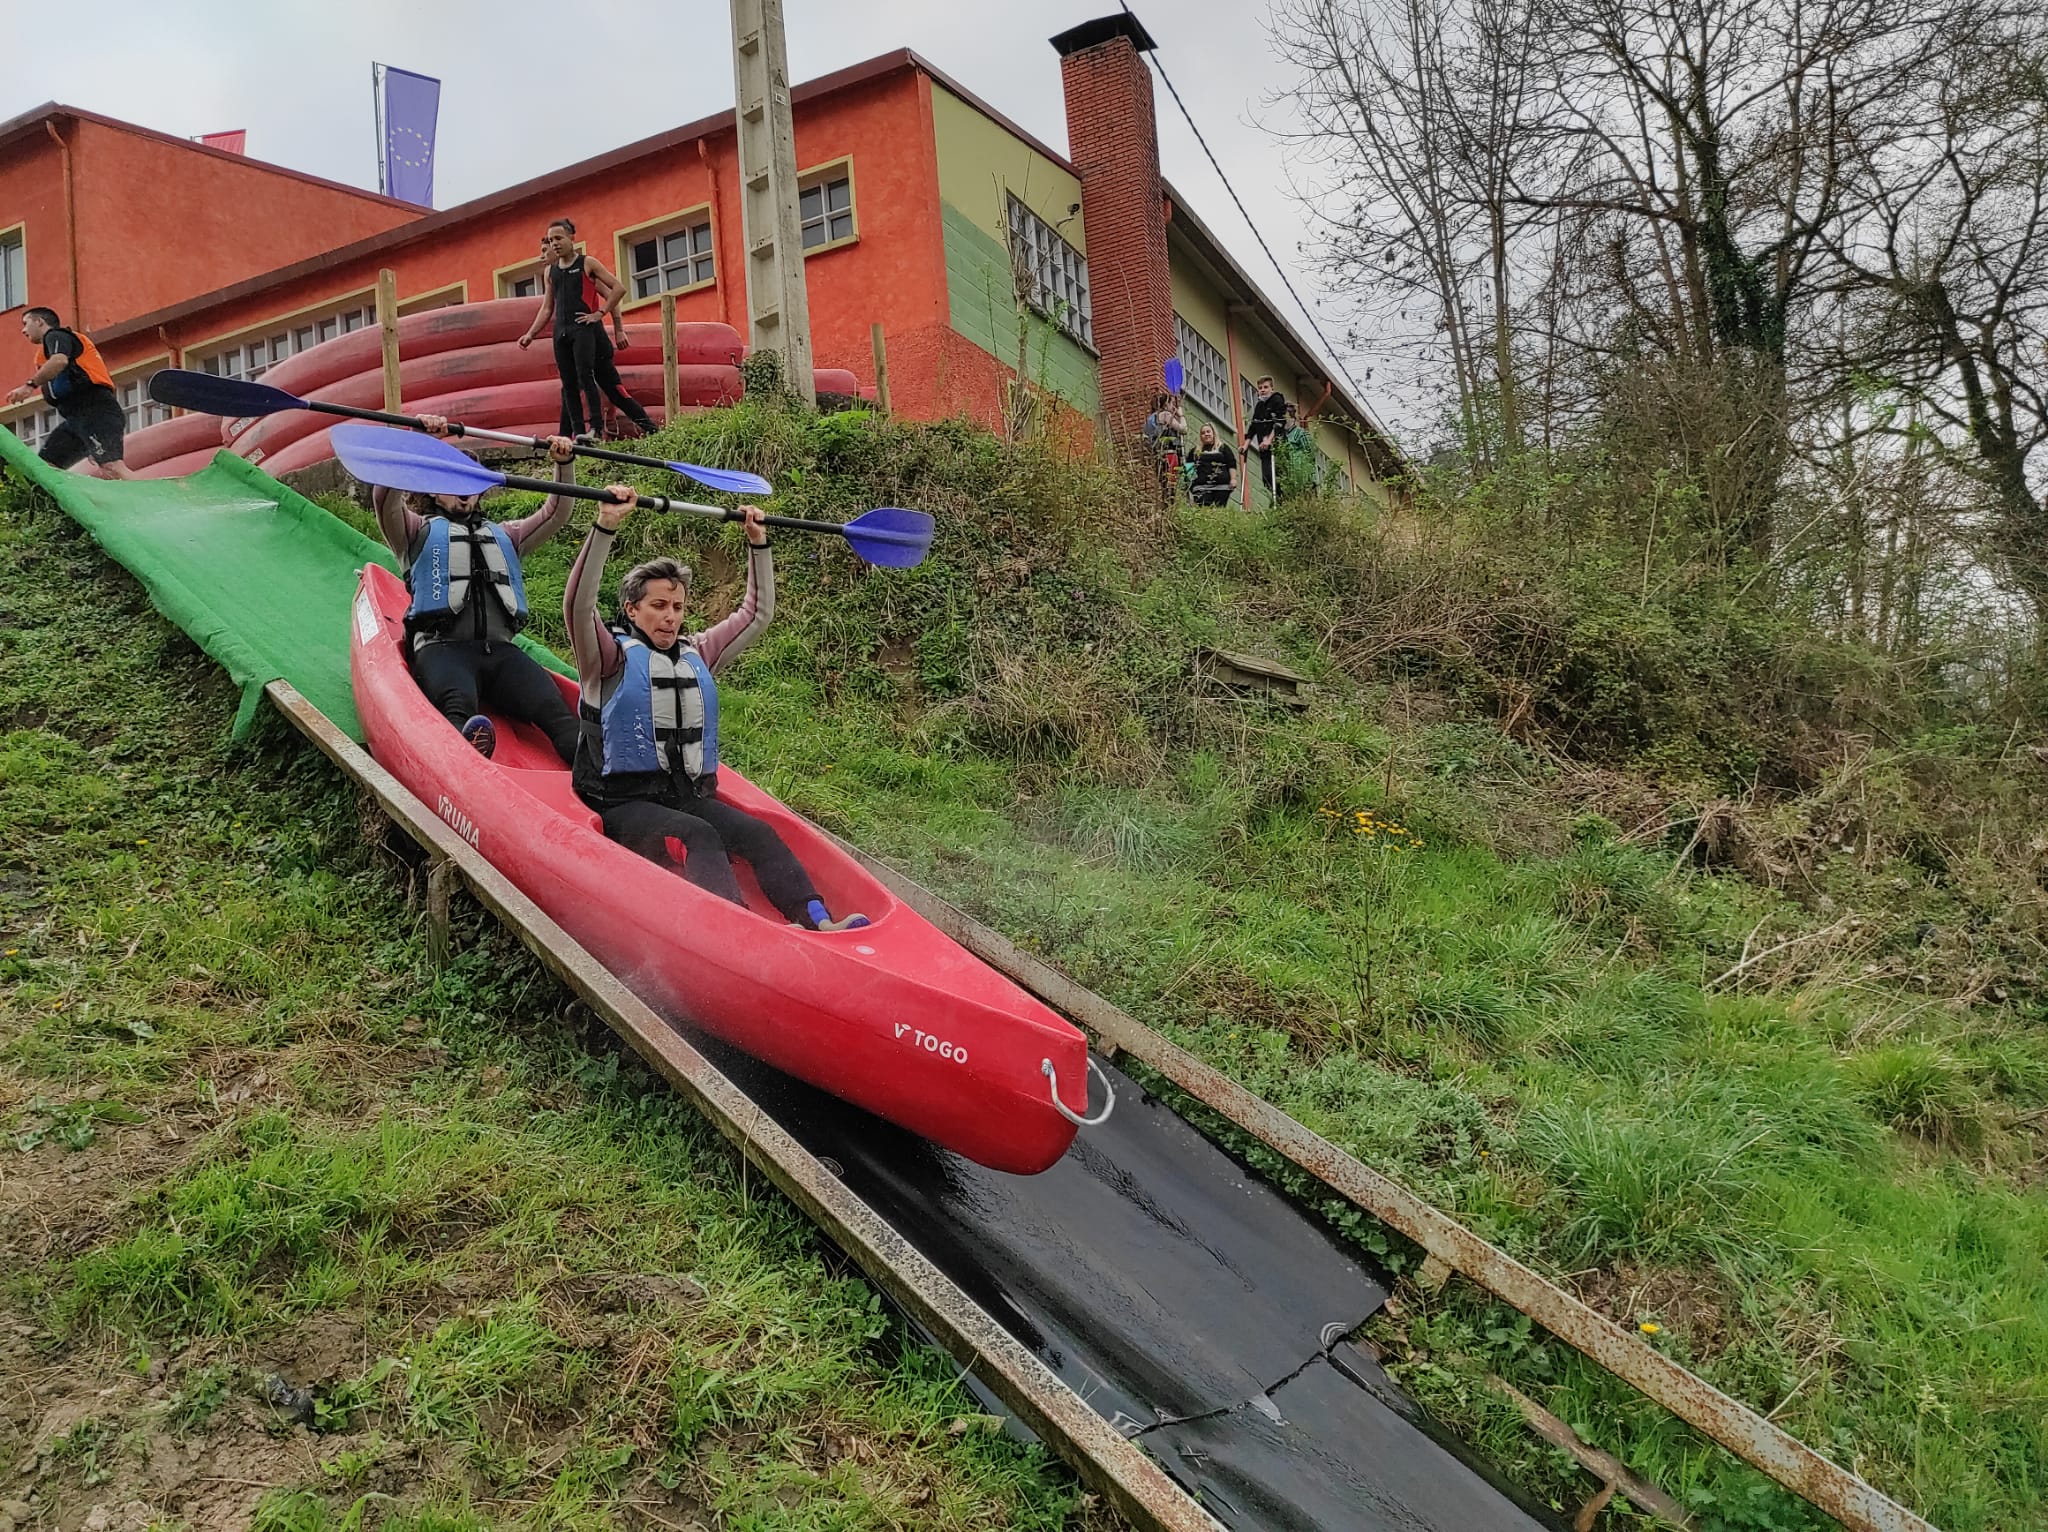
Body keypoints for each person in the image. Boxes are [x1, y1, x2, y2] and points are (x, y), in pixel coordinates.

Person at [563, 498, 870, 931]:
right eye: (657, 606)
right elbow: (578, 604)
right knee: (699, 834)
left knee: (758, 833)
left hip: (684, 796)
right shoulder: (606, 658)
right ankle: (737, 930)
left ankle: (817, 920)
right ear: (632, 610)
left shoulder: (698, 653)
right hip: (620, 804)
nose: (670, 618)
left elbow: (756, 614)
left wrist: (757, 544)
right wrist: (605, 527)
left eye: (677, 607)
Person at [369, 415, 583, 763]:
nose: (463, 490)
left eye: (469, 481)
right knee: (457, 706)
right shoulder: (413, 532)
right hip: (443, 649)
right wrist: (419, 443)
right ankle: (462, 755)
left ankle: (596, 776)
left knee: (555, 713)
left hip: (499, 653)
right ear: (433, 488)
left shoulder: (507, 535)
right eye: (451, 480)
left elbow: (557, 512)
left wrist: (564, 463)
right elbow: (384, 499)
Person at [517, 218, 655, 442]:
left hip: (592, 337)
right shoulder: (551, 273)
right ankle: (571, 434)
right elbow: (547, 307)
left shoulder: (586, 265)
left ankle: (645, 429)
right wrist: (530, 334)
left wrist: (608, 321)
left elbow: (614, 291)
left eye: (554, 242)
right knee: (569, 386)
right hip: (566, 334)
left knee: (609, 388)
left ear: (571, 238)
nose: (547, 251)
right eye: (549, 243)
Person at [6, 309, 136, 480]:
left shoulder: (56, 336)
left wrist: (29, 386)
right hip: (75, 418)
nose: (23, 330)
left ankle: (157, 501)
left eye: (26, 323)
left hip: (96, 411)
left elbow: (59, 360)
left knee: (112, 467)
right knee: (46, 469)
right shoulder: (44, 353)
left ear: (39, 321)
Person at [1242, 376, 1289, 495]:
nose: (1262, 390)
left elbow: (1279, 422)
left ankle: (1283, 498)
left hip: (1277, 445)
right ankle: (1278, 499)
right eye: (1260, 388)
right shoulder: (1259, 406)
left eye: (1265, 387)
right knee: (1267, 477)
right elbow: (1253, 426)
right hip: (1264, 448)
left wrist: (1269, 440)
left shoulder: (1277, 399)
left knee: (1278, 475)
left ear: (1271, 388)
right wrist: (1245, 445)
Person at [1142, 392, 1187, 503]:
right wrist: (1181, 415)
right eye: (1171, 403)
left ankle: (1166, 506)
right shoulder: (1166, 415)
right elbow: (1183, 429)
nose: (1173, 407)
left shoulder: (1151, 419)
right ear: (1165, 404)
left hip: (1158, 455)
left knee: (1164, 484)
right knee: (1171, 484)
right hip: (1170, 454)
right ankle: (1170, 506)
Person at [1187, 422, 1238, 507]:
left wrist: (1233, 479)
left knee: (1219, 510)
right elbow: (1188, 467)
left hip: (1221, 487)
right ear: (1200, 436)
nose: (1206, 434)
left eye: (1208, 432)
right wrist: (1190, 484)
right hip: (1201, 488)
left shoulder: (1223, 448)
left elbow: (1231, 464)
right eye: (1203, 433)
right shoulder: (1195, 451)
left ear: (1213, 433)